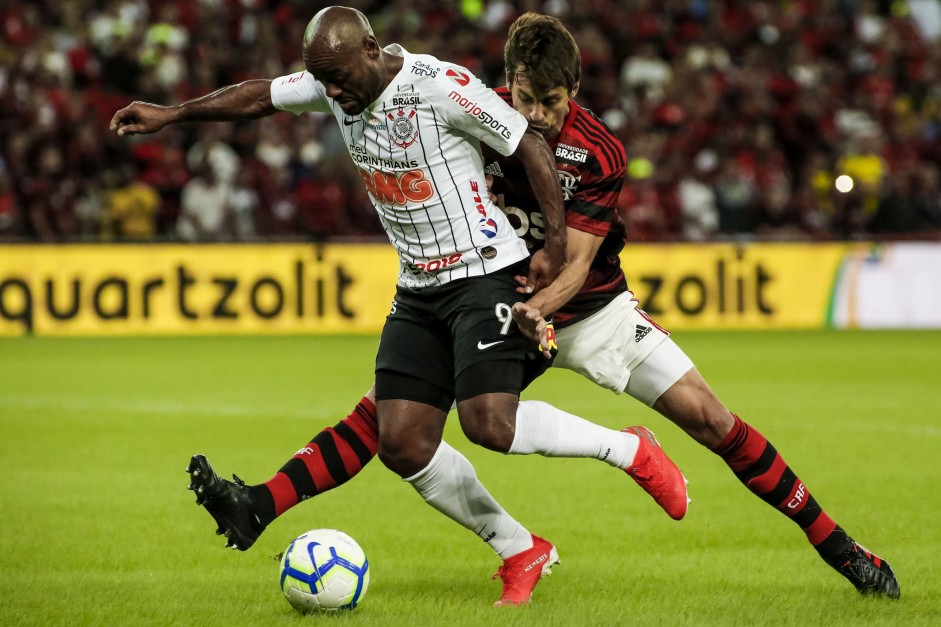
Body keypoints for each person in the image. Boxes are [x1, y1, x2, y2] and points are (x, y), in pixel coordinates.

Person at [163, 12, 900, 601]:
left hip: (591, 308)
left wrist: (542, 304)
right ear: (507, 83)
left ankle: (839, 546)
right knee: (394, 423)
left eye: (550, 101)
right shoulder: (473, 112)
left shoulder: (598, 152)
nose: (535, 114)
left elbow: (575, 261)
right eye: (524, 97)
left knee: (714, 421)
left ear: (572, 90)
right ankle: (501, 544)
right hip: (504, 296)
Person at [111, 6, 689, 607]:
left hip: (486, 273)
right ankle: (521, 548)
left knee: (489, 422)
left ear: (369, 47)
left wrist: (555, 249)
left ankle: (630, 449)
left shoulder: (438, 85)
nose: (331, 91)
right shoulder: (333, 81)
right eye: (321, 80)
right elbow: (261, 98)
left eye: (338, 77)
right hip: (418, 289)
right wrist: (174, 114)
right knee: (402, 442)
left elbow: (530, 147)